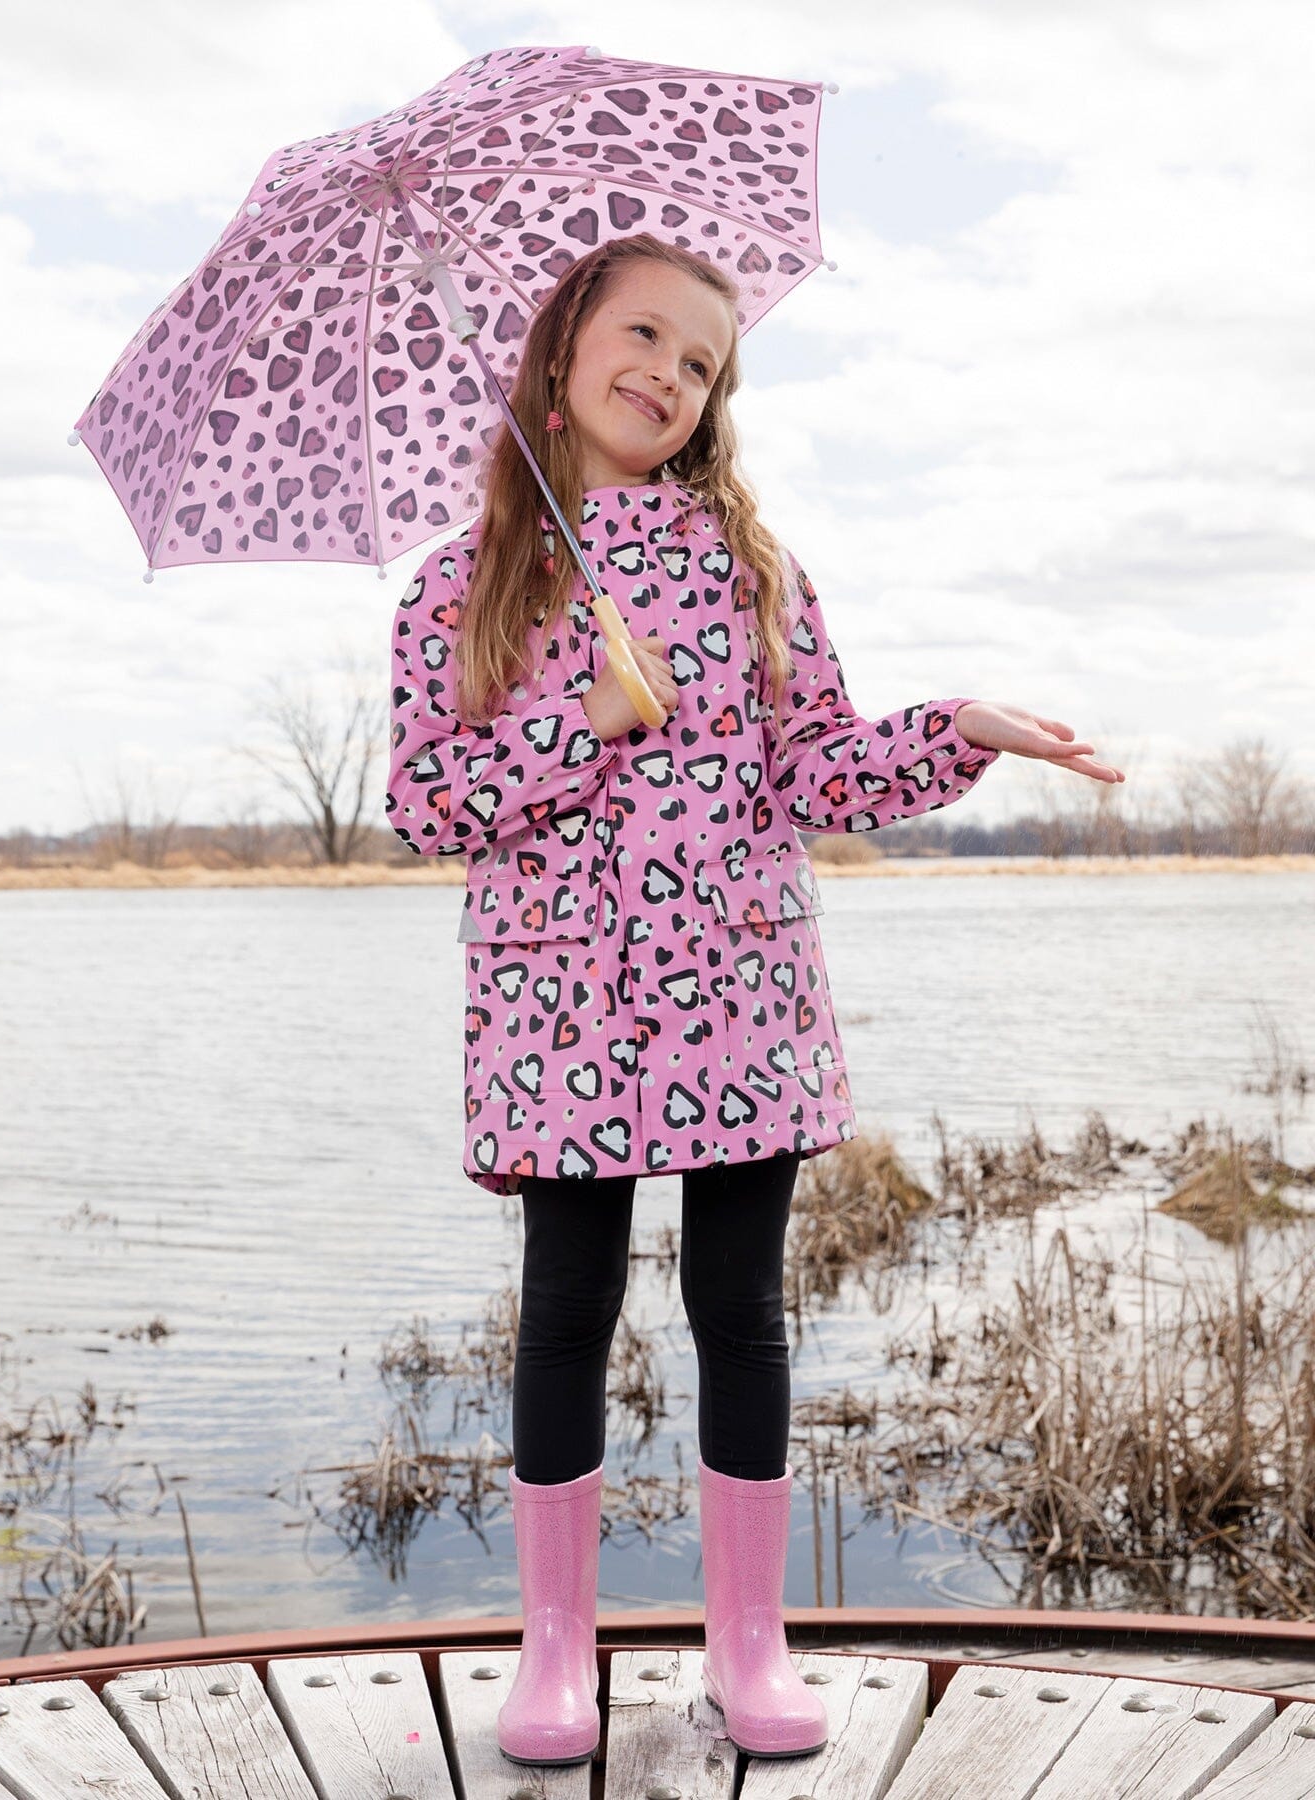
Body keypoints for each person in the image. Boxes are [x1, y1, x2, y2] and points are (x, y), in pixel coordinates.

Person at [385, 232, 1123, 1766]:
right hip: (563, 1012)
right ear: (563, 349)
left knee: (741, 1310)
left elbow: (822, 771)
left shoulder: (751, 568)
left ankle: (748, 1643)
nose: (668, 374)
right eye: (642, 336)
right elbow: (427, 802)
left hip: (740, 994)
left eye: (701, 362)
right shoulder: (461, 584)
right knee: (566, 1311)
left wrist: (960, 726)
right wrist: (584, 721)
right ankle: (554, 1654)